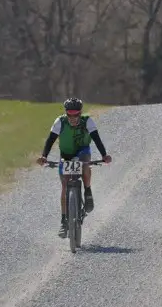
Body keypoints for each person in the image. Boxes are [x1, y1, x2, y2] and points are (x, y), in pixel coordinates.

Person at [37, 97, 112, 238]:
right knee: (65, 186)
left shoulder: (87, 121)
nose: (72, 118)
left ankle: (87, 192)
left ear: (80, 112)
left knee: (85, 165)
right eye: (69, 114)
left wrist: (104, 155)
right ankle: (64, 221)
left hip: (82, 151)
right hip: (66, 154)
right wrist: (44, 156)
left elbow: (96, 139)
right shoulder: (60, 122)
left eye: (76, 114)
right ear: (66, 113)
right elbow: (50, 140)